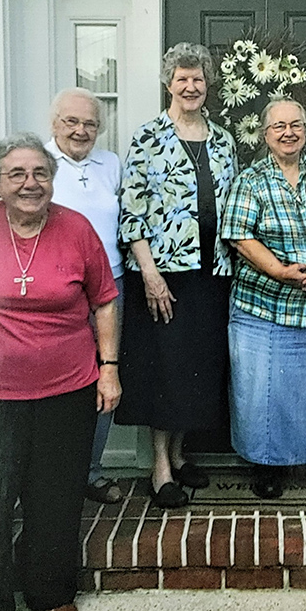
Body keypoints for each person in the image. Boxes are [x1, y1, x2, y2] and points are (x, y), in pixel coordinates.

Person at [0, 133, 120, 611]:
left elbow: (105, 302)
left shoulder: (76, 228)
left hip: (67, 388)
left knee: (56, 495)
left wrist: (108, 369)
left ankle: (50, 592)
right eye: (17, 174)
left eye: (40, 173)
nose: (30, 183)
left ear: (53, 178)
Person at [115, 42, 237, 508]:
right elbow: (133, 211)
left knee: (196, 367)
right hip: (164, 274)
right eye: (182, 78)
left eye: (198, 78)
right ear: (169, 84)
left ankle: (181, 455)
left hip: (211, 272)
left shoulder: (223, 139)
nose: (190, 86)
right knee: (165, 369)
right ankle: (160, 467)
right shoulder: (148, 136)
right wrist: (149, 274)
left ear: (208, 86)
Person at [221, 98, 306, 499]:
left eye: (295, 125)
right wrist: (281, 272)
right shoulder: (252, 179)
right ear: (265, 135)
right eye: (278, 126)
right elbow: (239, 235)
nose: (288, 132)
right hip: (265, 305)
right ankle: (266, 464)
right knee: (264, 392)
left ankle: (305, 459)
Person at [45, 87, 125, 505]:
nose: (80, 130)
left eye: (90, 123)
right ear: (54, 123)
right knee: (58, 382)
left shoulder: (111, 164)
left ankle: (90, 471)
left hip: (110, 286)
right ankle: (52, 474)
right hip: (58, 290)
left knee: (105, 377)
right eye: (71, 121)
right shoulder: (38, 163)